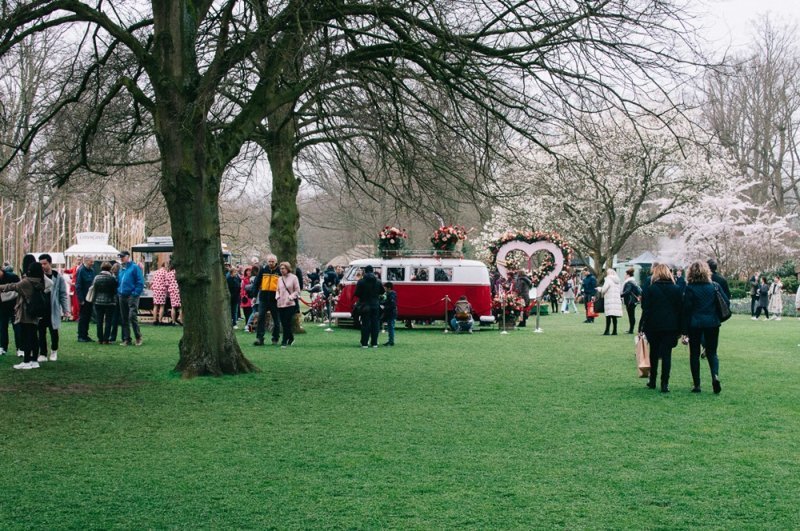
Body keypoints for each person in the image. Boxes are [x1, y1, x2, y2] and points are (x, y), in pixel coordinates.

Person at [682, 260, 728, 394]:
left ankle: (697, 384)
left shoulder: (690, 288)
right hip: (712, 323)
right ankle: (715, 376)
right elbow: (725, 301)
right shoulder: (714, 286)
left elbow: (686, 310)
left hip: (695, 324)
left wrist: (684, 331)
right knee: (712, 352)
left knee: (694, 354)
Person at [638, 264, 682, 393]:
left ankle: (652, 380)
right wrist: (681, 329)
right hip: (670, 326)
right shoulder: (677, 289)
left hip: (653, 325)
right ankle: (665, 383)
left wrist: (641, 325)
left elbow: (646, 309)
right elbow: (680, 310)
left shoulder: (651, 289)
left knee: (654, 353)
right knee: (667, 355)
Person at [0, 261, 45, 369]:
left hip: (25, 313)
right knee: (34, 337)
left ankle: (26, 361)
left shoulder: (26, 282)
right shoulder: (40, 281)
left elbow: (12, 286)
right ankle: (34, 361)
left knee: (26, 337)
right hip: (34, 312)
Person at [38, 254, 70, 361]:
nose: (43, 266)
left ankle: (54, 351)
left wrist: (66, 310)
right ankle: (42, 353)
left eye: (45, 263)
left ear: (50, 263)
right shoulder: (38, 276)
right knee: (41, 332)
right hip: (41, 309)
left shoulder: (58, 277)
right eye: (41, 264)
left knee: (54, 332)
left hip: (53, 308)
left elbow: (63, 294)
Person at [117, 250, 144, 346]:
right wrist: (119, 291)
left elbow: (140, 282)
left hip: (131, 296)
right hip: (122, 295)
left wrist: (135, 293)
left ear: (128, 257)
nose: (121, 258)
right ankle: (127, 339)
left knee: (132, 316)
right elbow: (120, 281)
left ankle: (138, 337)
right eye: (120, 257)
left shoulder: (135, 267)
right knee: (124, 318)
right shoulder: (122, 269)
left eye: (123, 256)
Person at [354, 264, 384, 348]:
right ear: (372, 271)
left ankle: (364, 343)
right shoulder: (378, 281)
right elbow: (382, 292)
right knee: (375, 324)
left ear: (365, 271)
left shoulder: (361, 281)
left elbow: (357, 293)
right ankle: (374, 343)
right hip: (375, 305)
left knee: (365, 324)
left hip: (364, 305)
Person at [254, 255, 281, 346]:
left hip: (275, 298)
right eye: (269, 261)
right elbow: (257, 282)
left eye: (272, 261)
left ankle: (275, 338)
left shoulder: (279, 271)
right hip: (263, 298)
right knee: (261, 317)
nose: (270, 263)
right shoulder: (263, 269)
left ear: (276, 261)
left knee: (276, 319)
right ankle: (259, 338)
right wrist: (254, 296)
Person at [91, 261, 118, 344]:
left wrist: (94, 300)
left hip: (98, 302)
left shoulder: (96, 278)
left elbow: (94, 289)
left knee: (99, 320)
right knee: (108, 321)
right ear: (110, 269)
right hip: (109, 302)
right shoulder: (112, 278)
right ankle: (106, 339)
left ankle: (100, 338)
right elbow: (114, 291)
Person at [275, 262, 300, 348]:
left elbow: (297, 291)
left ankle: (284, 340)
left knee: (286, 322)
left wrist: (291, 296)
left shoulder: (294, 278)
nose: (282, 270)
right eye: (281, 269)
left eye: (283, 268)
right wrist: (277, 296)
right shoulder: (279, 279)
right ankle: (291, 337)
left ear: (288, 269)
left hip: (290, 303)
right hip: (281, 303)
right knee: (283, 322)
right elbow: (277, 289)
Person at [0, 263, 22, 357]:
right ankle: (3, 347)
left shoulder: (13, 277)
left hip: (14, 306)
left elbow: (18, 291)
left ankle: (20, 348)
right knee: (2, 328)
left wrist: (3, 296)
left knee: (17, 328)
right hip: (1, 308)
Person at [75, 256, 96, 342]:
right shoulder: (81, 270)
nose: (93, 263)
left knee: (87, 317)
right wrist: (81, 300)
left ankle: (85, 335)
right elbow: (78, 286)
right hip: (84, 298)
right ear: (86, 261)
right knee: (83, 317)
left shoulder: (92, 270)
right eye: (91, 262)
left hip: (90, 298)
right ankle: (81, 336)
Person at [597, 269, 622, 335]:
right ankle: (615, 331)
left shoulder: (608, 279)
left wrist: (599, 289)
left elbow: (604, 289)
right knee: (614, 316)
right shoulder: (618, 281)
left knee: (608, 316)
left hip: (609, 300)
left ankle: (607, 331)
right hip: (616, 300)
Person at [621, 268, 642, 334]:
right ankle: (631, 329)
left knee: (631, 315)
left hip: (630, 300)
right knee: (631, 315)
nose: (624, 276)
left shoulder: (629, 283)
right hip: (633, 300)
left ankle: (631, 330)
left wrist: (620, 295)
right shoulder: (634, 282)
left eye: (625, 274)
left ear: (628, 275)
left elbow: (627, 291)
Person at [225, 264, 242, 328]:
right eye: (235, 272)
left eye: (236, 272)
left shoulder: (236, 277)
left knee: (235, 310)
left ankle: (234, 322)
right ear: (232, 272)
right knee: (231, 310)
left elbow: (239, 284)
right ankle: (232, 322)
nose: (236, 273)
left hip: (236, 296)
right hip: (231, 296)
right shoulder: (229, 278)